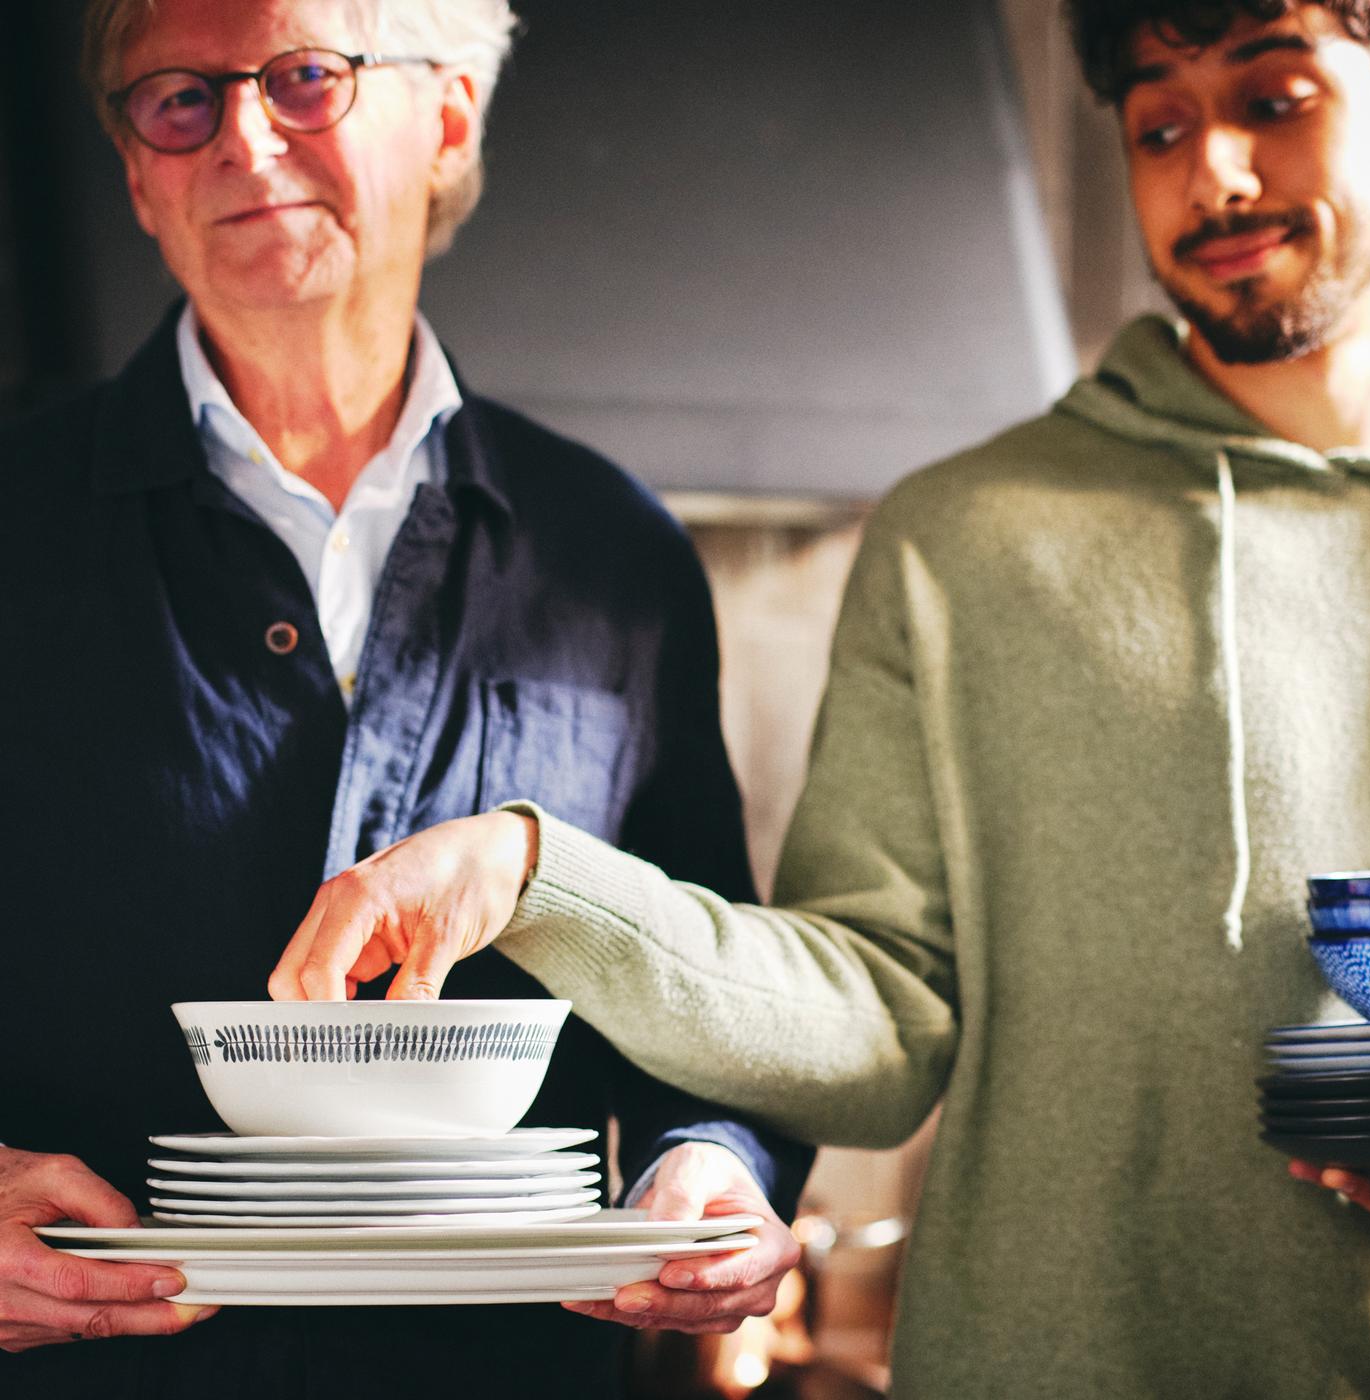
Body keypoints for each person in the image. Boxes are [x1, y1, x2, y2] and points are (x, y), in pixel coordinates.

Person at [269, 1, 1370, 1394]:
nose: (1212, 171)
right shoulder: (967, 536)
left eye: (1275, 100)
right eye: (1159, 124)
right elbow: (875, 1017)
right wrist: (532, 878)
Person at [0, 0, 812, 1394]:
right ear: (137, 174)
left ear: (445, 119)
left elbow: (704, 970)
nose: (243, 138)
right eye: (180, 100)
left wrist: (712, 1164)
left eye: (303, 79)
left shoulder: (613, 549)